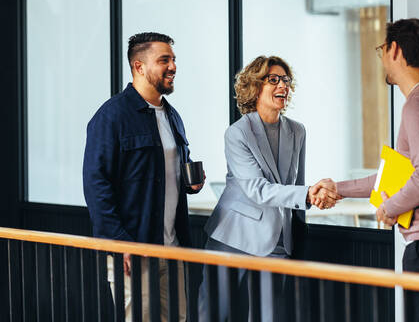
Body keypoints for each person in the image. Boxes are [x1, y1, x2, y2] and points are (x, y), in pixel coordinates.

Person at [312, 18, 419, 322]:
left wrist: (389, 207)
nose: (383, 58)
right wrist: (340, 188)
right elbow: (398, 177)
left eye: (382, 49)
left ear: (395, 51)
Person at [199, 55, 340, 321]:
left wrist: (302, 223)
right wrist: (308, 194)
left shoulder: (298, 131)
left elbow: (298, 184)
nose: (282, 86)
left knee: (270, 316)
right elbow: (257, 189)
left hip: (277, 239)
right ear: (254, 87)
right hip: (232, 237)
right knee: (214, 314)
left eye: (286, 80)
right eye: (273, 80)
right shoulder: (237, 133)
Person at [83, 32, 204, 322]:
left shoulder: (172, 116)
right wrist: (118, 241)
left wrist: (191, 182)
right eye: (164, 60)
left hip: (174, 248)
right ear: (139, 66)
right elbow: (95, 183)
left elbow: (168, 173)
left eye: (174, 59)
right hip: (135, 251)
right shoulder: (111, 116)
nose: (173, 66)